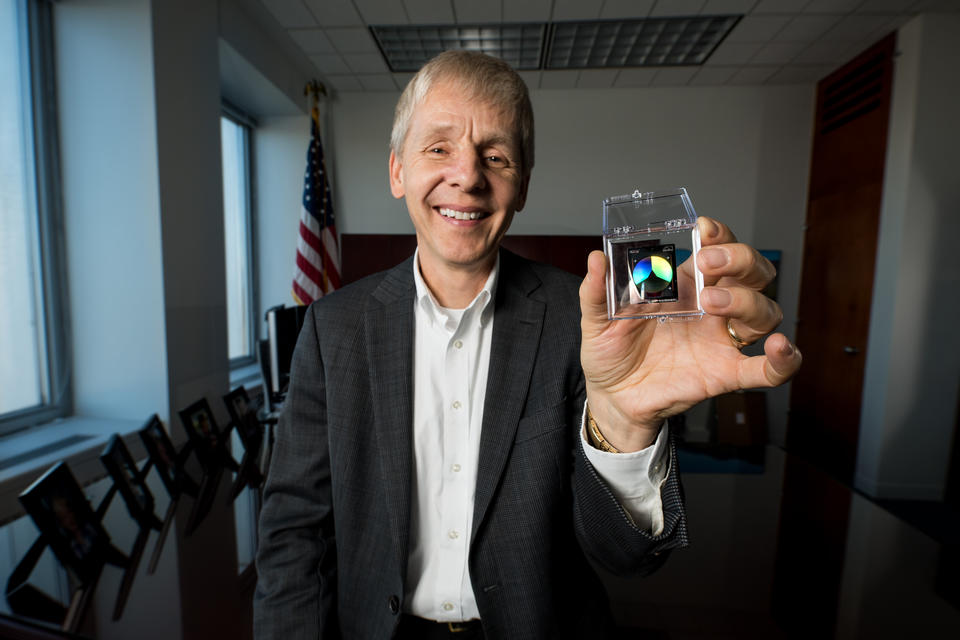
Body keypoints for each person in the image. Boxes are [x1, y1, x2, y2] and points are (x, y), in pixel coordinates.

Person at [254, 51, 801, 640]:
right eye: (438, 148)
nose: (467, 175)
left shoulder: (591, 324)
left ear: (522, 186)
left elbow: (628, 558)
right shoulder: (331, 326)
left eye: (496, 155)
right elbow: (293, 531)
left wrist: (628, 427)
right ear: (397, 171)